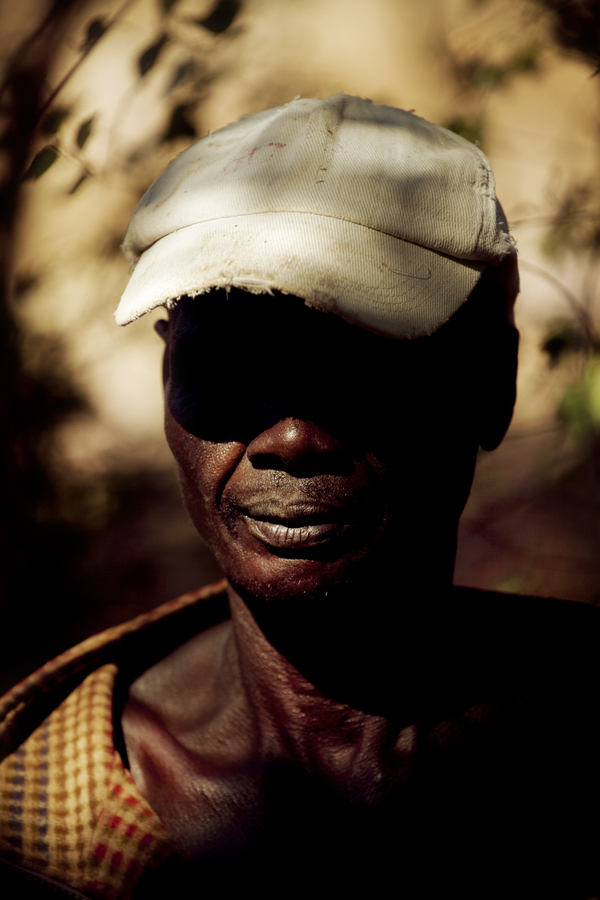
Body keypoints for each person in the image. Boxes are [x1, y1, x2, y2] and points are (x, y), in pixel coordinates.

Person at [1, 94, 599, 899]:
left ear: (492, 381)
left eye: (360, 363)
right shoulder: (35, 822)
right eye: (228, 362)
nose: (290, 436)